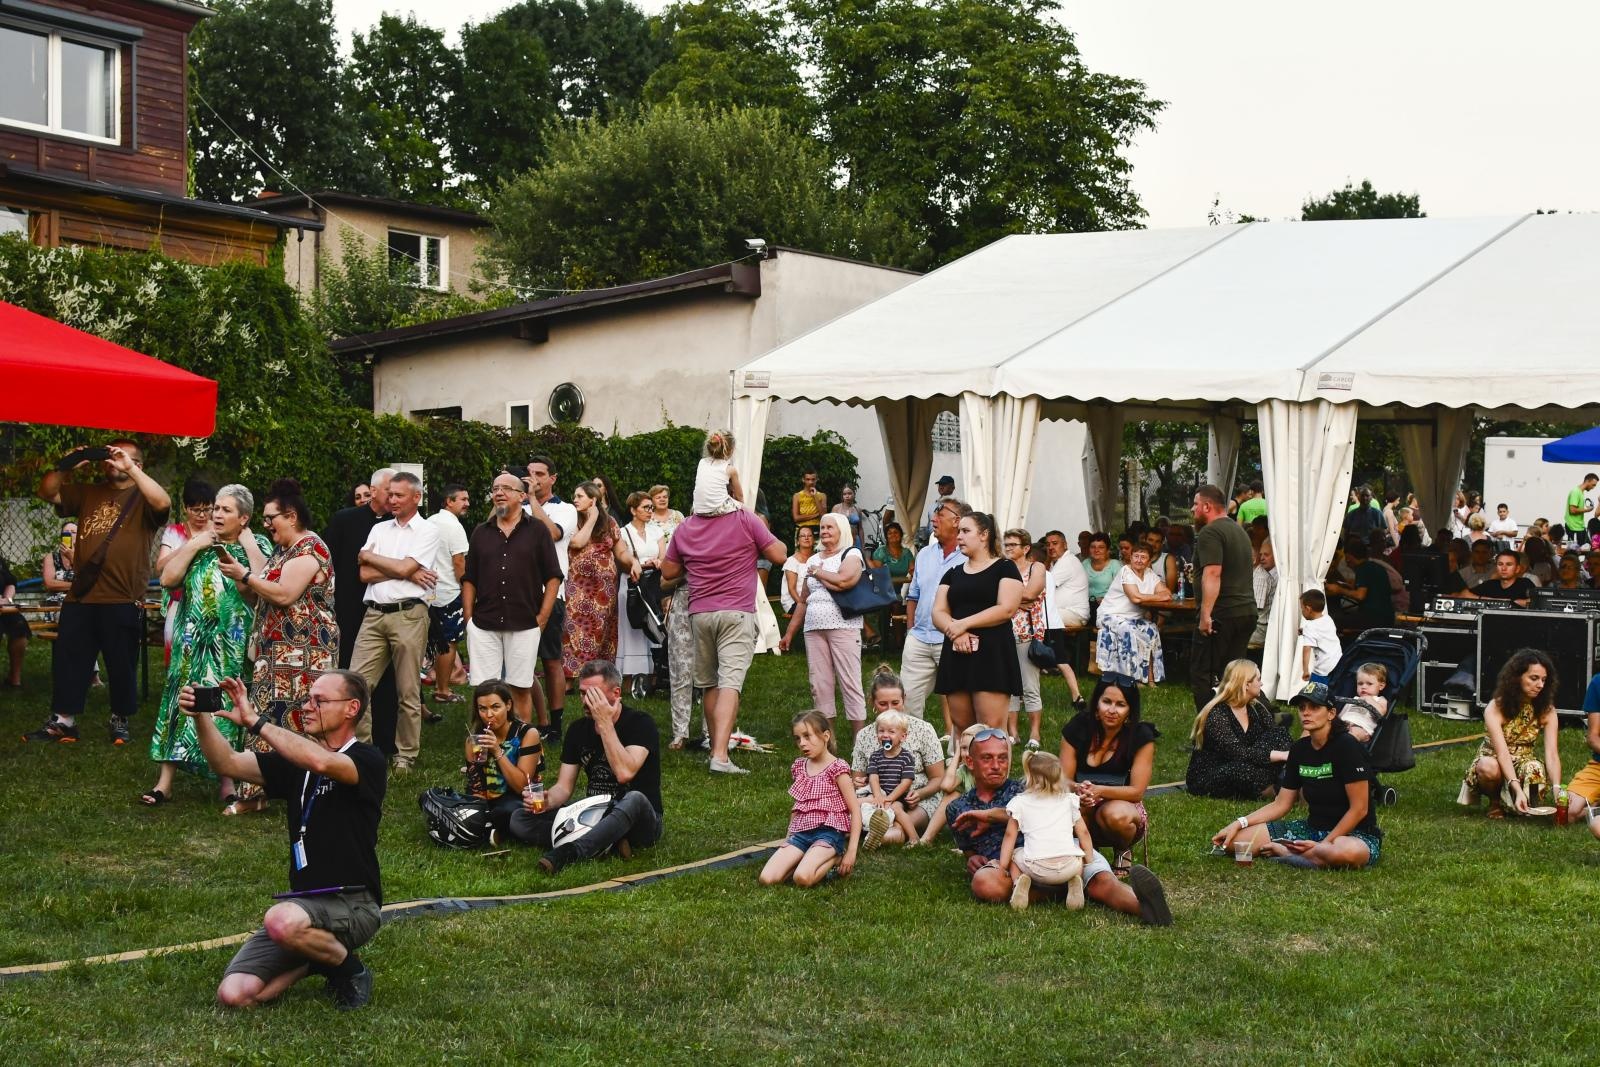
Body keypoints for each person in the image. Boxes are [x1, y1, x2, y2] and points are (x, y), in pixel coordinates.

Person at [184, 670, 384, 1010]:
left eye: (319, 701)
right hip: (303, 907)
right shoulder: (296, 764)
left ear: (351, 708)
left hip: (352, 903)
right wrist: (200, 717)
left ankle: (350, 970)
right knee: (235, 994)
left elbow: (322, 761)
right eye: (307, 699)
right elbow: (227, 762)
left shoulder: (367, 759)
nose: (306, 707)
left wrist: (255, 722)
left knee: (280, 920)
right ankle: (319, 960)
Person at [28, 439, 170, 746]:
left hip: (122, 596)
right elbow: (47, 492)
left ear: (137, 464)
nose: (112, 461)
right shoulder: (88, 492)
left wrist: (130, 469)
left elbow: (163, 504)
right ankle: (63, 721)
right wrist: (67, 464)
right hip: (82, 595)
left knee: (121, 664)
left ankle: (120, 718)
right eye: (109, 456)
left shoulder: (143, 496)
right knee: (69, 659)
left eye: (121, 457)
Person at [949, 729, 1170, 923]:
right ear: (970, 762)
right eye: (987, 758)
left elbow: (1046, 809)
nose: (996, 766)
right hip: (1018, 869)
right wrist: (971, 857)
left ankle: (1147, 909)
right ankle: (1066, 890)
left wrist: (991, 816)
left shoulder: (1028, 787)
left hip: (1064, 852)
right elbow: (970, 849)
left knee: (1103, 881)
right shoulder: (957, 808)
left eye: (1003, 758)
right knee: (984, 883)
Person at [146, 483, 271, 809]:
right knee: (179, 703)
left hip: (232, 645)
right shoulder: (199, 543)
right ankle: (164, 783)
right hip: (192, 642)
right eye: (216, 508)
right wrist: (194, 544)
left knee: (225, 706)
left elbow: (264, 584)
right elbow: (167, 579)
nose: (216, 514)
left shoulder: (257, 544)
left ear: (244, 518)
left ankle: (227, 781)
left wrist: (247, 544)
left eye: (225, 510)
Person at [661, 504, 786, 773]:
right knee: (729, 682)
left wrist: (695, 559)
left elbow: (667, 571)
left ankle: (713, 746)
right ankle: (720, 755)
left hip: (700, 612)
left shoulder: (686, 526)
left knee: (709, 684)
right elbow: (779, 554)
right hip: (735, 610)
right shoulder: (743, 519)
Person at [508, 660, 663, 872]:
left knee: (634, 798)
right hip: (594, 813)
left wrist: (605, 723)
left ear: (616, 693)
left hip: (639, 819)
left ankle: (572, 851)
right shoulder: (578, 729)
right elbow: (564, 787)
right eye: (582, 693)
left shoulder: (640, 723)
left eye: (593, 694)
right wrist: (548, 800)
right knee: (519, 818)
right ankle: (607, 841)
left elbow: (624, 773)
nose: (585, 701)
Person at [1212, 680, 1381, 870]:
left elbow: (1359, 809)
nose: (1306, 713)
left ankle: (1290, 853)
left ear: (1331, 713)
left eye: (1314, 707)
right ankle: (1309, 856)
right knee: (1235, 843)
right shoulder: (1299, 749)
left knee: (1345, 852)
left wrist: (1323, 844)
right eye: (1302, 708)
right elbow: (1281, 804)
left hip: (1353, 835)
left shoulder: (1347, 746)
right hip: (1311, 830)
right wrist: (1239, 823)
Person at [239, 480, 338, 794]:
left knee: (306, 717)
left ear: (292, 516)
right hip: (276, 652)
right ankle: (259, 789)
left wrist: (245, 576)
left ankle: (313, 785)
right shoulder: (283, 550)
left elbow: (284, 594)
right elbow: (263, 587)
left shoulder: (310, 548)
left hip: (306, 653)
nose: (267, 525)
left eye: (271, 518)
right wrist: (245, 571)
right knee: (266, 716)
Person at [349, 471, 441, 774]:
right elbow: (363, 573)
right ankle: (362, 751)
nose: (392, 500)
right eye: (390, 494)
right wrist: (406, 572)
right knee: (356, 685)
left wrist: (374, 558)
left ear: (416, 497)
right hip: (374, 614)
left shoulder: (428, 531)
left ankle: (405, 756)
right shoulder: (379, 529)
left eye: (399, 495)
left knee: (408, 690)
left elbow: (396, 566)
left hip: (409, 614)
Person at [463, 472, 562, 728]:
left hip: (525, 621)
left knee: (520, 687)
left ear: (521, 496)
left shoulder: (537, 531)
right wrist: (468, 618)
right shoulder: (481, 532)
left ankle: (520, 744)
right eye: (495, 488)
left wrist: (542, 618)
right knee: (485, 690)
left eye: (506, 488)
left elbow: (553, 577)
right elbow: (469, 578)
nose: (499, 492)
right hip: (484, 623)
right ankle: (484, 746)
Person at [322, 467, 397, 751]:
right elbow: (328, 561)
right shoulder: (345, 519)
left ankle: (386, 742)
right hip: (349, 608)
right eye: (389, 491)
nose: (393, 497)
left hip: (386, 607)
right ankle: (348, 738)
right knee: (350, 674)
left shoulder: (397, 523)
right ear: (374, 491)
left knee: (388, 679)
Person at [1059, 675, 1159, 876]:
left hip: (1122, 803)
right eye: (1106, 702)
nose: (1112, 710)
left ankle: (1122, 848)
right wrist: (1079, 788)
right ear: (1096, 704)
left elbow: (1137, 792)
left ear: (1130, 710)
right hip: (1080, 798)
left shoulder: (1141, 736)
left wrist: (1099, 791)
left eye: (1121, 704)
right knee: (1073, 807)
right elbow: (1061, 780)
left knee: (1115, 815)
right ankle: (1085, 851)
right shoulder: (1078, 727)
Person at [932, 511, 1023, 733]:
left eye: (965, 531)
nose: (959, 536)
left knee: (991, 730)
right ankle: (964, 760)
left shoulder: (1005, 568)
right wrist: (956, 632)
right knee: (963, 728)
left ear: (984, 535)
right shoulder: (952, 573)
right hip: (957, 652)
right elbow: (938, 612)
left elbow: (1006, 608)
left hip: (991, 655)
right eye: (958, 531)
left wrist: (963, 624)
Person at [781, 512, 866, 735]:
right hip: (813, 629)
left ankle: (860, 741)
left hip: (844, 626)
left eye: (830, 527)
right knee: (820, 685)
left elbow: (845, 581)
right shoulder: (812, 559)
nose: (825, 531)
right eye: (823, 527)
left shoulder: (851, 554)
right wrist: (789, 633)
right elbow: (803, 600)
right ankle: (828, 740)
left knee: (850, 682)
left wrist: (818, 573)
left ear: (841, 530)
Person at [759, 710, 861, 887]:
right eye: (798, 738)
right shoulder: (799, 767)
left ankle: (835, 858)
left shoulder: (837, 768)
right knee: (767, 879)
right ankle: (804, 857)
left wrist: (851, 852)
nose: (802, 743)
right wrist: (788, 838)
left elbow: (855, 811)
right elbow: (799, 805)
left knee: (802, 878)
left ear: (825, 736)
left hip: (829, 834)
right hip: (802, 833)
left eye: (807, 736)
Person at [850, 666, 946, 846]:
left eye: (895, 703)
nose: (890, 709)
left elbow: (938, 778)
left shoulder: (923, 729)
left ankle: (885, 834)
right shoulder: (864, 735)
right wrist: (859, 782)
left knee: (900, 824)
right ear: (872, 702)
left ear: (904, 699)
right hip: (878, 799)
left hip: (916, 800)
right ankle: (878, 830)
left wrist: (920, 793)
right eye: (883, 704)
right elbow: (858, 779)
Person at [1459, 649, 1561, 817]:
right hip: (1495, 759)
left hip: (1524, 760)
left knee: (1535, 767)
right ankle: (1495, 802)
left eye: (1544, 680)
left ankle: (1531, 805)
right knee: (1488, 766)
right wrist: (1516, 787)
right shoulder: (1495, 707)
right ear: (1516, 677)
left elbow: (1552, 754)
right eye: (1534, 678)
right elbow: (1502, 753)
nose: (1540, 685)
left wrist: (1557, 787)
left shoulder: (1547, 710)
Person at [562, 481, 641, 680]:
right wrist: (592, 517)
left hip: (604, 590)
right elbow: (577, 542)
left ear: (593, 499)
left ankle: (598, 675)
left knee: (600, 631)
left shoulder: (610, 522)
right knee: (575, 629)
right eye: (575, 496)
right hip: (578, 587)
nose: (575, 499)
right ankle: (571, 677)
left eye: (580, 496)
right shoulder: (571, 519)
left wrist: (633, 561)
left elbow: (621, 551)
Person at [524, 455, 579, 738]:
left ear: (552, 478)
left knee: (550, 659)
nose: (533, 478)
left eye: (540, 474)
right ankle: (539, 720)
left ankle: (555, 725)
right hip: (519, 592)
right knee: (520, 661)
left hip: (550, 593)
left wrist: (532, 500)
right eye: (529, 473)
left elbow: (553, 534)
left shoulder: (565, 509)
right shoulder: (518, 504)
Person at [1189, 484, 1255, 712]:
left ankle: (1208, 728)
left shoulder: (1210, 532)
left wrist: (1205, 615)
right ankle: (1253, 719)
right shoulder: (1239, 531)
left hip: (1221, 614)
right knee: (1234, 676)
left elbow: (1213, 573)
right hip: (1245, 611)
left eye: (1196, 504)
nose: (1192, 509)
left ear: (1207, 506)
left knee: (1203, 674)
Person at [900, 497, 967, 723]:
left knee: (960, 703)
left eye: (940, 513)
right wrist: (910, 630)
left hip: (952, 638)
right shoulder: (924, 554)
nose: (933, 519)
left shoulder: (970, 557)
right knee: (905, 701)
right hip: (919, 638)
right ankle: (911, 744)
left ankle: (958, 745)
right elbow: (913, 596)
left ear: (957, 521)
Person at [1185, 659, 1290, 800]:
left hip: (1249, 762)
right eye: (1258, 679)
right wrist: (1279, 756)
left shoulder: (1256, 708)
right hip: (1215, 772)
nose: (1261, 684)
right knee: (1240, 770)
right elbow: (1237, 753)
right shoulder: (1217, 715)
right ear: (1246, 684)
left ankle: (1279, 781)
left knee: (1280, 734)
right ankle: (1275, 787)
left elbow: (1275, 736)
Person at [998, 750, 1087, 911]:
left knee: (1015, 854)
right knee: (1077, 853)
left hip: (1036, 868)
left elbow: (1010, 835)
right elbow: (1084, 833)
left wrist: (1003, 865)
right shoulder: (1070, 801)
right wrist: (1090, 860)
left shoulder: (1019, 802)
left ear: (1030, 777)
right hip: (1069, 867)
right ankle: (1076, 882)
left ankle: (1019, 883)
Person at [459, 680, 543, 837]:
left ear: (508, 705)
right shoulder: (474, 741)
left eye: (495, 707)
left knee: (506, 812)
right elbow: (476, 789)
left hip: (520, 800)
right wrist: (475, 808)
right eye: (482, 709)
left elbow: (521, 786)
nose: (489, 715)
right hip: (488, 800)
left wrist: (497, 751)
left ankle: (487, 826)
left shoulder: (527, 734)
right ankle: (486, 824)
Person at [156, 477, 215, 662]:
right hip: (179, 604)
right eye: (196, 510)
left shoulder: (219, 532)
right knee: (178, 657)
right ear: (185, 508)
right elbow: (160, 567)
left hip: (212, 606)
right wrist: (190, 546)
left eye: (207, 509)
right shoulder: (174, 532)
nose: (202, 515)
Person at [1094, 543, 1170, 685]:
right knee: (1129, 630)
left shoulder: (1150, 574)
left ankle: (1151, 678)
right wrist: (1155, 596)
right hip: (1110, 615)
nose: (1139, 560)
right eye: (1136, 556)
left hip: (1133, 618)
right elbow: (1135, 598)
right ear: (1130, 557)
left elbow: (1166, 594)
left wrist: (1144, 596)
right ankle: (1132, 679)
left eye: (1143, 557)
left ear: (1149, 560)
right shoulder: (1126, 572)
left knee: (1152, 629)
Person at [425, 484, 471, 705]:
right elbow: (459, 562)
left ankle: (436, 683)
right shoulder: (454, 527)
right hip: (449, 592)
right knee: (448, 643)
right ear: (449, 502)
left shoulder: (430, 521)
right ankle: (442, 690)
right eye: (462, 499)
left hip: (428, 591)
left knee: (432, 642)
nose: (467, 503)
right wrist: (467, 588)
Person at [1004, 529, 1048, 749]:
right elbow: (991, 596)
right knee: (1009, 686)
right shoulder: (1002, 568)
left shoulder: (1036, 568)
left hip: (1027, 633)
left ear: (1026, 548)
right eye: (1006, 545)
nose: (1008, 548)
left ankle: (1035, 733)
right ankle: (1012, 733)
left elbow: (1032, 594)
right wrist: (1019, 602)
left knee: (1030, 686)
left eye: (1013, 544)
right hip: (1003, 632)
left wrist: (1006, 600)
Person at [617, 491, 665, 686]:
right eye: (645, 507)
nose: (650, 511)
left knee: (653, 623)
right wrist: (638, 564)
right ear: (633, 510)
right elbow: (621, 560)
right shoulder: (623, 532)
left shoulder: (656, 531)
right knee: (632, 627)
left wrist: (658, 562)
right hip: (632, 584)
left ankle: (654, 674)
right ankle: (630, 676)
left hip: (652, 584)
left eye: (651, 507)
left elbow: (664, 556)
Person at [864, 710, 920, 849]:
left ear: (903, 736)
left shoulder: (906, 757)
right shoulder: (875, 756)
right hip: (879, 793)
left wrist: (890, 798)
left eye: (891, 731)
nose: (885, 735)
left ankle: (914, 838)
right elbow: (873, 777)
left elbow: (906, 782)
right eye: (881, 731)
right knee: (857, 801)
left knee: (896, 809)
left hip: (898, 796)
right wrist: (878, 796)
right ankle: (849, 830)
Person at [1560, 672, 1600, 838]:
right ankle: (1596, 806)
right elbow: (1593, 738)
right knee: (1565, 813)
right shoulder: (1598, 682)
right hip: (1598, 767)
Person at [1326, 537, 1394, 631]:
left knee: (1334, 621)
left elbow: (1360, 595)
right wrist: (1352, 586)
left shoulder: (1362, 569)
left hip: (1372, 617)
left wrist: (1339, 590)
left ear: (1349, 557)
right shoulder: (1378, 567)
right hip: (1388, 616)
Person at [1458, 548, 1537, 606]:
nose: (1503, 568)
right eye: (1500, 564)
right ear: (1496, 567)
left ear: (1517, 569)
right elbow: (1464, 594)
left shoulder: (1525, 583)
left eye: (1509, 564)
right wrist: (1493, 601)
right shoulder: (1490, 584)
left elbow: (1537, 602)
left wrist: (1504, 602)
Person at [691, 430, 744, 516]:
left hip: (698, 509)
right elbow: (739, 496)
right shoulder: (730, 469)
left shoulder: (702, 462)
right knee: (742, 507)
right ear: (730, 450)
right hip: (717, 508)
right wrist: (741, 507)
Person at [1297, 589, 1341, 682]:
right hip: (1338, 661)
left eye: (1302, 608)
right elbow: (1322, 633)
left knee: (1315, 689)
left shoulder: (1310, 627)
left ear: (1308, 609)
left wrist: (1305, 670)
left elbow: (1307, 649)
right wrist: (1304, 631)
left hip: (1323, 668)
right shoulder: (1328, 618)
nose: (1302, 611)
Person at [1340, 663, 1390, 743]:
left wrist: (1370, 700)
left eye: (1369, 684)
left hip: (1361, 728)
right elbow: (1342, 714)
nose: (1363, 687)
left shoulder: (1379, 700)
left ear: (1381, 686)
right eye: (1360, 683)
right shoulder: (1354, 699)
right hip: (1344, 724)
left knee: (1350, 736)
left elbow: (1381, 714)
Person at [1, 556, 30, 688]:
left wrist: (7, 599)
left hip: (3, 607)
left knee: (19, 626)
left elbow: (10, 582)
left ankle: (15, 678)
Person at [1248, 537, 1277, 657]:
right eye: (1261, 554)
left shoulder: (1260, 577)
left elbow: (1254, 610)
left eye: (1266, 555)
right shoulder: (1260, 574)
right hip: (1262, 628)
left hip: (1259, 631)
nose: (1262, 558)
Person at [780, 525, 815, 618]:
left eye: (809, 535)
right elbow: (791, 589)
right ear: (798, 541)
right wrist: (802, 605)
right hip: (794, 601)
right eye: (803, 536)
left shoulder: (817, 558)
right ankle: (794, 614)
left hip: (812, 598)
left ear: (813, 540)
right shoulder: (792, 561)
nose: (806, 538)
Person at [1082, 534, 1122, 608]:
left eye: (1101, 547)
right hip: (1087, 605)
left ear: (1107, 550)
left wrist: (1106, 599)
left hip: (1109, 605)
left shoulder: (1115, 565)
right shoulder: (1085, 563)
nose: (1096, 550)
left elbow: (1121, 590)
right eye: (1093, 547)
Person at [1564, 473, 1599, 545]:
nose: (1593, 487)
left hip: (1579, 527)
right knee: (1577, 549)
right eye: (1593, 485)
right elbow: (1572, 510)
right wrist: (1587, 510)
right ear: (1587, 481)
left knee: (1588, 547)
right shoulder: (1576, 492)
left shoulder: (1580, 492)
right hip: (1573, 528)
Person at [790, 469, 827, 534]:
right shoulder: (797, 496)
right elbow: (796, 518)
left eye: (813, 479)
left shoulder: (822, 496)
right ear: (803, 480)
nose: (810, 482)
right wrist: (816, 515)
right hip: (801, 529)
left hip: (817, 529)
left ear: (817, 480)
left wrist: (815, 496)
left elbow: (823, 516)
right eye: (808, 479)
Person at [832, 484, 864, 549]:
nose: (847, 496)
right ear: (842, 496)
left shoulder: (857, 509)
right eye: (844, 494)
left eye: (849, 493)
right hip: (841, 540)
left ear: (854, 494)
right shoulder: (836, 508)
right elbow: (831, 526)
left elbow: (860, 529)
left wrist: (863, 545)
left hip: (855, 540)